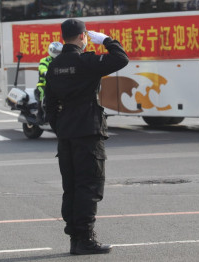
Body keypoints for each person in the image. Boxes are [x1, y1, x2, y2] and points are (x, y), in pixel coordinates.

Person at [44, 19, 129, 255]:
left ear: (63, 37)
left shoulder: (54, 65)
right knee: (89, 185)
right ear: (83, 37)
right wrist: (107, 40)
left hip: (66, 133)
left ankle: (75, 238)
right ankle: (85, 239)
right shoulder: (86, 61)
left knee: (70, 185)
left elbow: (48, 104)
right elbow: (121, 58)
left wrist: (60, 127)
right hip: (88, 131)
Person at [35, 41, 63, 123]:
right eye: (56, 51)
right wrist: (45, 72)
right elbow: (42, 67)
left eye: (59, 52)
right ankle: (39, 114)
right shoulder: (45, 60)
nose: (58, 53)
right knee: (43, 93)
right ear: (51, 50)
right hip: (43, 84)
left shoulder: (61, 61)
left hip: (58, 84)